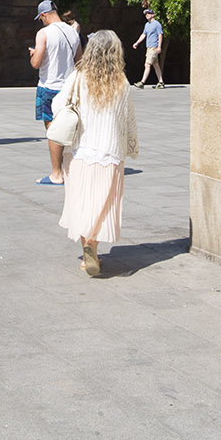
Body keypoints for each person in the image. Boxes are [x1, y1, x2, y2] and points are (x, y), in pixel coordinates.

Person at [54, 29, 139, 277]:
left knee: (82, 202)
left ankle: (87, 250)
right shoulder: (122, 83)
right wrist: (131, 144)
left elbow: (58, 104)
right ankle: (93, 245)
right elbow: (128, 119)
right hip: (109, 153)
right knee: (101, 205)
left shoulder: (78, 77)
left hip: (80, 151)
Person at [29, 0, 82, 186]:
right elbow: (79, 62)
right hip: (69, 88)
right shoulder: (73, 32)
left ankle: (56, 173)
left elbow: (36, 63)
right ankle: (70, 170)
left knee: (53, 131)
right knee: (69, 129)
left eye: (40, 18)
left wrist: (33, 54)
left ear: (44, 15)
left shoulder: (43, 33)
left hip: (49, 86)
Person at [133, 8, 166, 89]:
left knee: (147, 64)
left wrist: (159, 47)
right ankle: (161, 82)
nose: (147, 15)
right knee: (156, 65)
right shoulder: (147, 25)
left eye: (148, 13)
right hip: (149, 47)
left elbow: (160, 35)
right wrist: (137, 43)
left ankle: (142, 82)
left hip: (154, 47)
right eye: (146, 14)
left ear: (153, 15)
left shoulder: (156, 24)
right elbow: (143, 35)